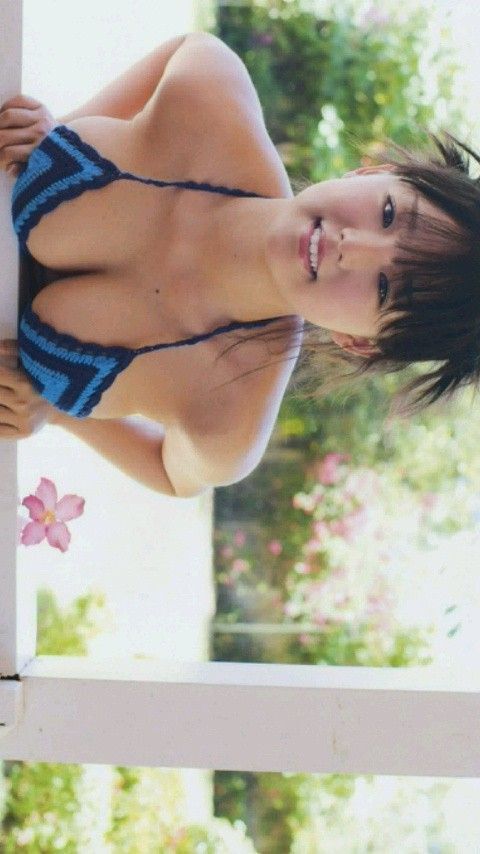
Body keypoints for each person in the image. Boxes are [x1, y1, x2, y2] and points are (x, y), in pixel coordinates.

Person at [0, 32, 478, 497]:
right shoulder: (212, 91)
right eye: (389, 214)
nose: (351, 246)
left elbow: (172, 474)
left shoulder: (230, 423)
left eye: (385, 289)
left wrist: (52, 412)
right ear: (375, 173)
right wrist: (58, 131)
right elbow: (188, 46)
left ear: (360, 342)